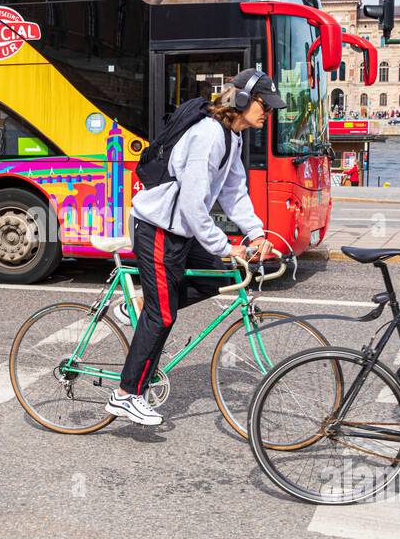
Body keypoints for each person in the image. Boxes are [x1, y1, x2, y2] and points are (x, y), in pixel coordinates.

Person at [105, 70, 279, 426]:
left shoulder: (233, 137)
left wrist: (256, 232)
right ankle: (126, 395)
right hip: (157, 229)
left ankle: (136, 305)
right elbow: (193, 207)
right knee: (163, 315)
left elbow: (233, 192)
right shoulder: (208, 136)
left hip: (179, 233)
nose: (268, 113)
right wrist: (227, 246)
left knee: (222, 275)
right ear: (242, 100)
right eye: (265, 105)